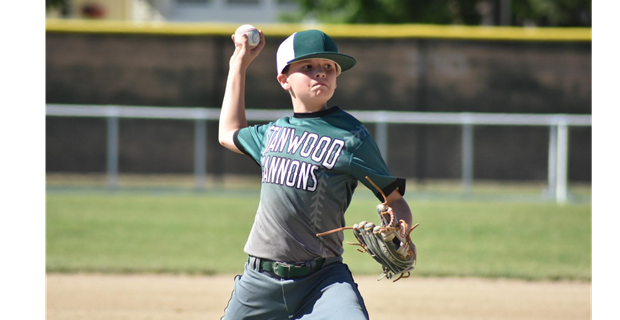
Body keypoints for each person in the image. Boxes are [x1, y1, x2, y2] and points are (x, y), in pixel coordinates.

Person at [218, 28, 413, 320]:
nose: (320, 73)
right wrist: (239, 64)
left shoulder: (351, 136)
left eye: (328, 68)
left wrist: (399, 232)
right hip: (259, 281)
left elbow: (394, 198)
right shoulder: (272, 134)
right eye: (307, 66)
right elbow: (228, 133)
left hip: (323, 281)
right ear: (284, 80)